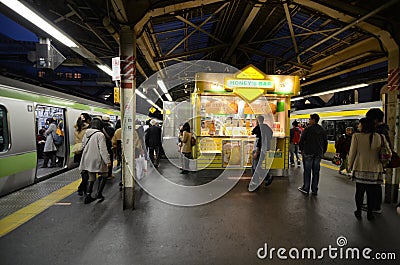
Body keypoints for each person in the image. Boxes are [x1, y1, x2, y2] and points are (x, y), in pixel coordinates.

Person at [348, 118, 390, 220]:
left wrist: (349, 166)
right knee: (372, 193)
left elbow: (352, 153)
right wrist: (384, 164)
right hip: (375, 170)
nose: (358, 126)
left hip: (360, 169)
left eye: (359, 124)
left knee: (359, 192)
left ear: (363, 125)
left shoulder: (356, 136)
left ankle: (358, 211)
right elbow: (388, 152)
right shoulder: (380, 137)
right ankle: (370, 214)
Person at [79, 118, 111, 204]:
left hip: (87, 157)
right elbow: (103, 149)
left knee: (91, 177)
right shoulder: (100, 135)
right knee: (104, 175)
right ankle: (99, 194)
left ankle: (88, 196)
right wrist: (107, 161)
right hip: (97, 158)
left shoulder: (86, 133)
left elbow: (82, 145)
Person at [365, 108, 389, 214]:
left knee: (374, 185)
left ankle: (375, 206)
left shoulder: (379, 131)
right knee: (375, 184)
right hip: (378, 161)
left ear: (374, 120)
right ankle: (373, 204)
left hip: (375, 161)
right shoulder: (383, 129)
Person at [298, 113, 328, 195]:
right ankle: (314, 190)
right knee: (316, 172)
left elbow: (301, 140)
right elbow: (325, 142)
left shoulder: (308, 129)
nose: (309, 120)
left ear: (314, 120)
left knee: (307, 171)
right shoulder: (322, 130)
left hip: (308, 152)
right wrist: (323, 151)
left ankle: (306, 188)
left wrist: (301, 149)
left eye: (310, 119)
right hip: (318, 153)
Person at [249, 115, 273, 190]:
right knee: (256, 166)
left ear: (257, 120)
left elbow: (259, 140)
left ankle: (258, 182)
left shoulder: (259, 128)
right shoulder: (266, 127)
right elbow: (270, 135)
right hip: (264, 149)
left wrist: (257, 151)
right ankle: (265, 178)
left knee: (255, 166)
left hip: (259, 150)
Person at [75, 113, 91, 196]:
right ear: (88, 120)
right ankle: (82, 188)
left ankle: (82, 188)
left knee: (84, 171)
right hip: (86, 151)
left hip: (78, 151)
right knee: (87, 172)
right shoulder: (87, 130)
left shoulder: (77, 129)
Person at [101, 115, 115, 180]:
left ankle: (101, 173)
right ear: (109, 120)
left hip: (100, 146)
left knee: (102, 160)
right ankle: (109, 174)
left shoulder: (99, 128)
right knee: (109, 160)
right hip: (108, 146)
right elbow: (112, 137)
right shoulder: (110, 128)